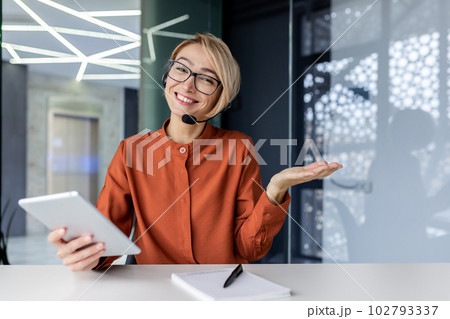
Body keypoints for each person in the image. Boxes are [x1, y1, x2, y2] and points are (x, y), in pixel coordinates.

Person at [48, 33, 342, 271]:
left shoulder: (238, 148)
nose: (187, 83)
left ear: (221, 97)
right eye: (181, 68)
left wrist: (275, 190)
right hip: (156, 292)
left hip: (221, 290)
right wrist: (86, 253)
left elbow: (248, 248)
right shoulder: (132, 150)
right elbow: (107, 240)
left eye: (206, 78)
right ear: (167, 75)